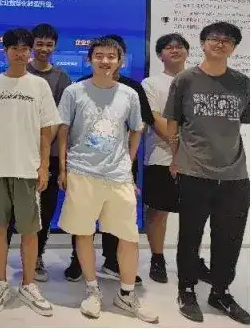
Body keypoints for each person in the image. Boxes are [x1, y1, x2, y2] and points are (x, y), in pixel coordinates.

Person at [57, 36, 157, 323]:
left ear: (120, 61)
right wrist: (63, 169)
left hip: (118, 176)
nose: (105, 61)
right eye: (99, 55)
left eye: (111, 56)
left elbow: (137, 130)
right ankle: (92, 290)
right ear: (89, 59)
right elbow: (63, 131)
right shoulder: (74, 91)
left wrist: (128, 161)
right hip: (82, 173)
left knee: (128, 236)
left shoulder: (129, 94)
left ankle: (126, 294)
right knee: (83, 233)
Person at [164, 21, 250, 325]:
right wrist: (176, 156)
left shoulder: (242, 82)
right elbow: (173, 121)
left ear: (234, 48)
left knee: (229, 237)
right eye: (215, 38)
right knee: (190, 235)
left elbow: (242, 120)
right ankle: (186, 290)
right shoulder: (185, 80)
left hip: (235, 174)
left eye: (228, 40)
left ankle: (220, 291)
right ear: (203, 43)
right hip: (194, 171)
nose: (221, 43)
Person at [0, 28, 59, 316]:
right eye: (14, 48)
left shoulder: (39, 86)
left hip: (28, 169)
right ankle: (0, 283)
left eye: (25, 48)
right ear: (6, 51)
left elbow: (46, 130)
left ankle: (28, 284)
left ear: (30, 51)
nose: (20, 53)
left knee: (30, 230)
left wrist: (44, 165)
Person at [141, 33, 189, 284]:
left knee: (194, 213)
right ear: (160, 55)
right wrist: (177, 145)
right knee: (158, 211)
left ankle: (191, 260)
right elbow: (155, 118)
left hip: (196, 160)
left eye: (180, 46)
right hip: (161, 156)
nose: (175, 50)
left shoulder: (198, 80)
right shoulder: (150, 83)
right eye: (169, 47)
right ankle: (157, 258)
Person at [26, 23, 72, 282]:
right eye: (39, 43)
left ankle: (37, 256)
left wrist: (44, 145)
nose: (44, 48)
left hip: (51, 154)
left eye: (49, 44)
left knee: (45, 208)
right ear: (32, 45)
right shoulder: (20, 72)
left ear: (54, 46)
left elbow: (61, 118)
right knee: (12, 207)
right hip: (20, 152)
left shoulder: (61, 78)